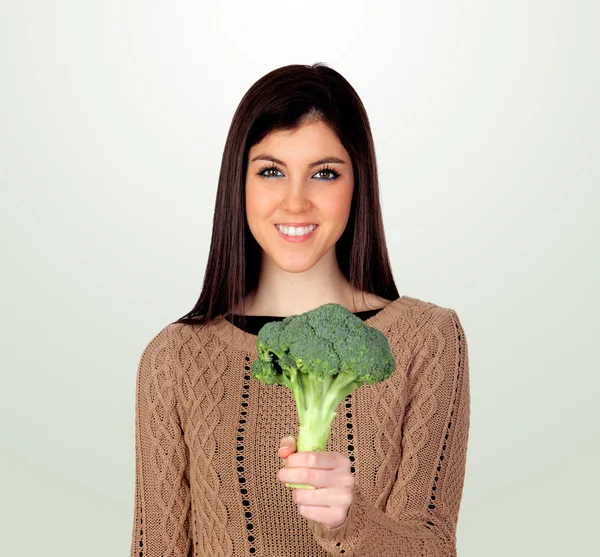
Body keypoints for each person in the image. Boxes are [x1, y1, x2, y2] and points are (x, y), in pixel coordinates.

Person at [130, 63, 470, 557]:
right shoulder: (175, 357)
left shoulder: (428, 338)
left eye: (324, 174)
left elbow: (434, 547)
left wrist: (348, 522)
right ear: (237, 183)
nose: (295, 203)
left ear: (359, 184)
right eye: (271, 171)